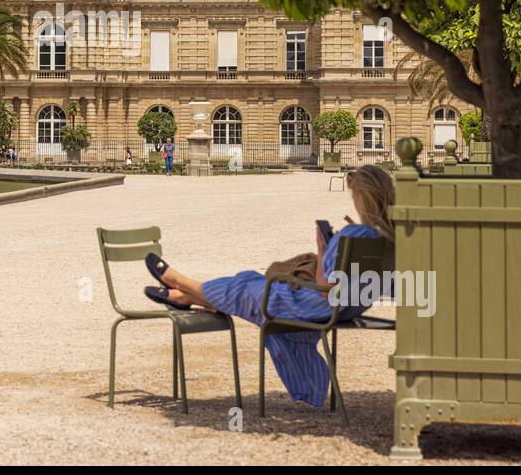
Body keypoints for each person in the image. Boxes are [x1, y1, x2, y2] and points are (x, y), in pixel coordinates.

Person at [143, 165, 395, 408]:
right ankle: (184, 297)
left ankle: (178, 281)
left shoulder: (353, 234)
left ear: (361, 196)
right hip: (351, 307)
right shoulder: (390, 236)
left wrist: (323, 246)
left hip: (316, 305)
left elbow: (325, 285)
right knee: (251, 284)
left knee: (246, 287)